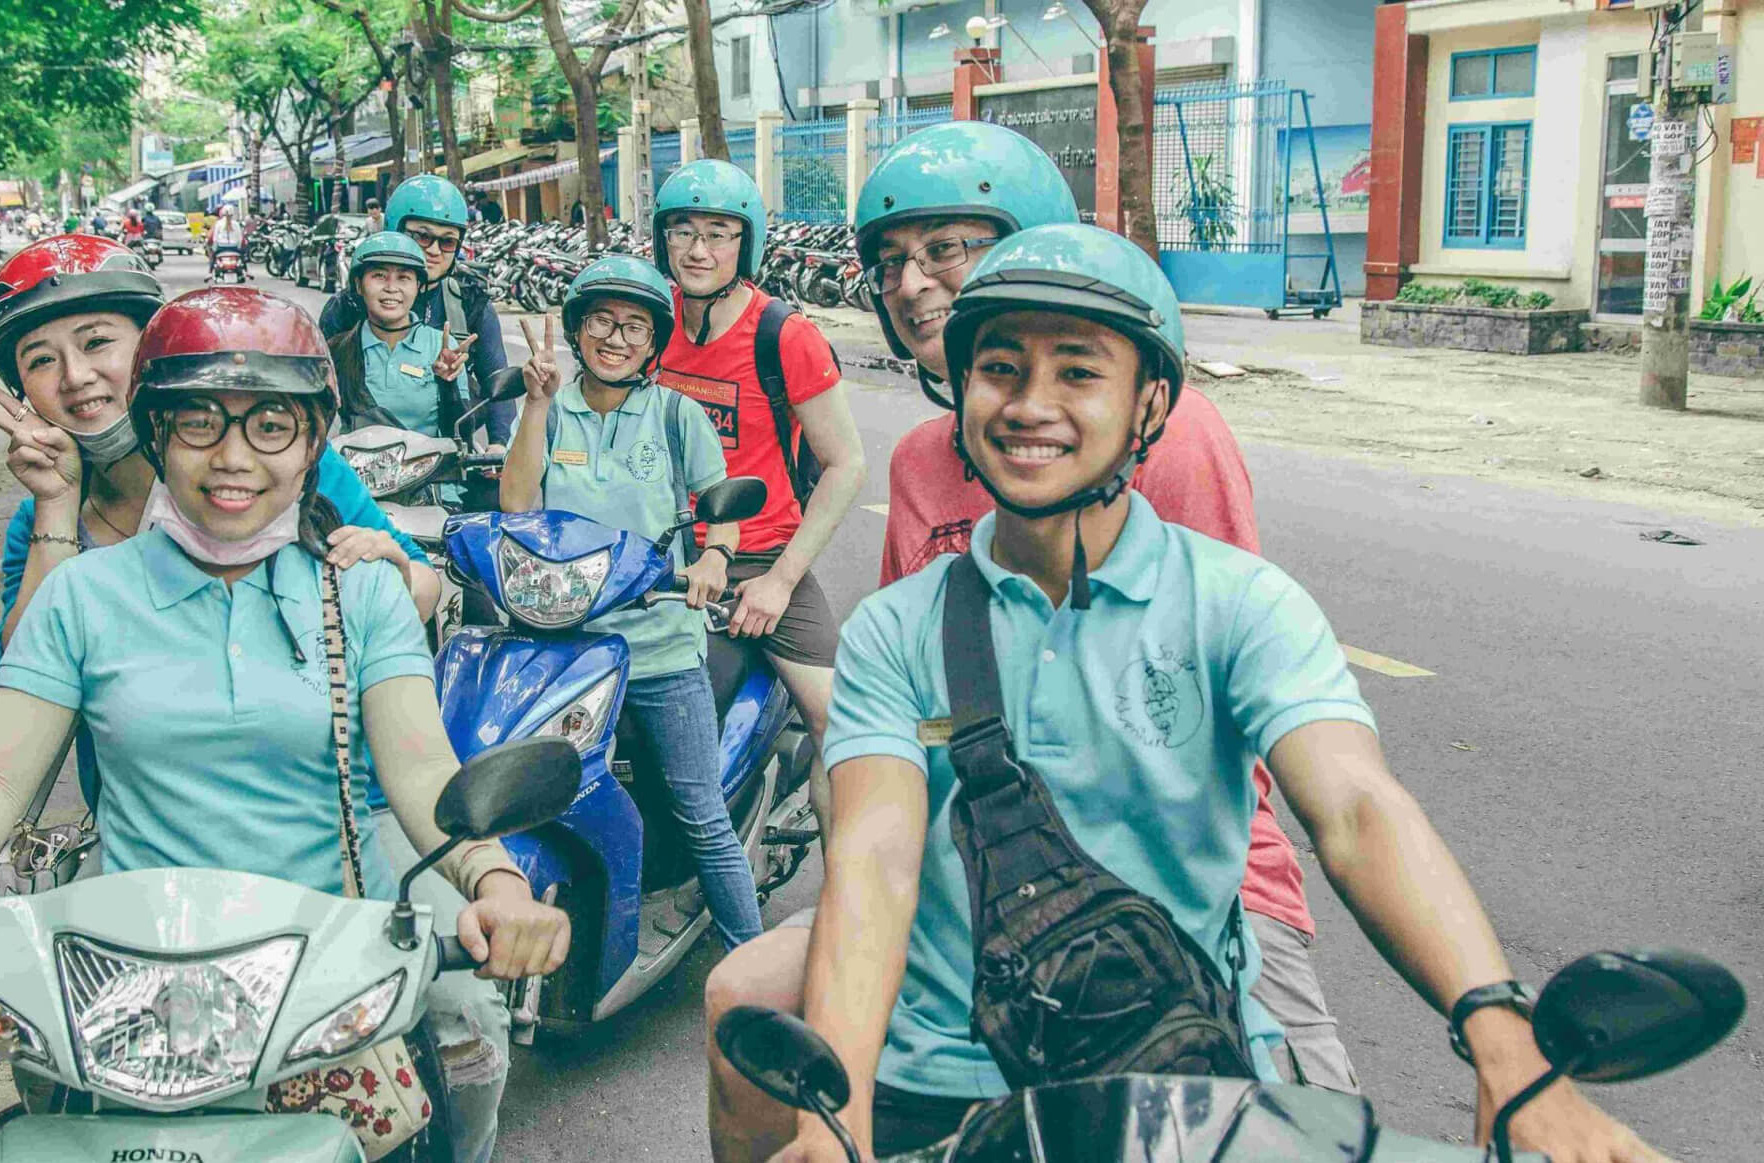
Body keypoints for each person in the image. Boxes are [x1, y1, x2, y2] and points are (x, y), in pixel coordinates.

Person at [762, 225, 1671, 1163]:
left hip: (1185, 1083)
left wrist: (1505, 1042)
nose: (1030, 404)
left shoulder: (1239, 604)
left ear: (1150, 402)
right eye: (1000, 369)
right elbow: (876, 859)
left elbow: (1357, 810)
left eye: (1078, 372)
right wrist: (835, 1116)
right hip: (941, 1089)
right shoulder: (896, 629)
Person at [701, 122, 1355, 1163]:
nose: (913, 283)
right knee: (744, 999)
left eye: (945, 248)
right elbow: (912, 717)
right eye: (891, 262)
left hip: (1189, 880)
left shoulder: (1167, 434)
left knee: (1313, 1123)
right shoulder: (921, 463)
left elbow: (1224, 688)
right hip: (972, 861)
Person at [0, 287, 567, 1163]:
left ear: (312, 443)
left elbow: (420, 770)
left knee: (469, 1037)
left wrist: (495, 880)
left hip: (329, 967)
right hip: (130, 973)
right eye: (198, 423)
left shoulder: (361, 591)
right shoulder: (80, 593)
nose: (233, 457)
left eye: (270, 425)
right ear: (156, 434)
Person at [0, 234, 441, 755]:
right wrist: (57, 502)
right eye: (41, 361)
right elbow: (27, 687)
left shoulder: (280, 463)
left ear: (149, 351)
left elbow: (421, 588)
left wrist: (383, 580)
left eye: (96, 343)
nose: (75, 377)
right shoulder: (41, 522)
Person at [497, 255, 765, 951]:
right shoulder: (552, 411)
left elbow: (721, 511)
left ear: (652, 344)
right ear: (578, 331)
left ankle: (754, 963)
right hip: (569, 646)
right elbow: (517, 504)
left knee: (702, 814)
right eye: (602, 322)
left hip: (660, 646)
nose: (616, 339)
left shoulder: (676, 414)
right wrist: (536, 404)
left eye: (634, 327)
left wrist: (714, 557)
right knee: (542, 800)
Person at [650, 160, 868, 866]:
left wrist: (779, 581)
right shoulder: (647, 323)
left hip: (763, 557)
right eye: (683, 230)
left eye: (718, 233)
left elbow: (846, 465)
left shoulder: (784, 335)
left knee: (843, 728)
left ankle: (846, 899)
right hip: (660, 553)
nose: (698, 250)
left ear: (746, 244)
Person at [320, 175, 514, 448]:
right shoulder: (347, 307)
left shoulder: (470, 303)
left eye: (447, 242)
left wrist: (499, 443)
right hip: (362, 454)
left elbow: (496, 380)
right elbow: (318, 392)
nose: (434, 251)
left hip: (442, 453)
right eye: (423, 237)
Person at [327, 231, 474, 440]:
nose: (391, 288)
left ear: (418, 286)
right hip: (354, 460)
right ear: (359, 285)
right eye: (379, 276)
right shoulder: (339, 349)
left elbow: (462, 433)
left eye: (403, 278)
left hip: (429, 460)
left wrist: (447, 384)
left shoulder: (440, 345)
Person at [208, 205, 247, 280]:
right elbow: (240, 238)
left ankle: (210, 272)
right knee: (242, 257)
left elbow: (215, 238)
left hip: (221, 247)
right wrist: (239, 247)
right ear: (233, 213)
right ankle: (246, 271)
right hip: (234, 247)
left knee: (213, 257)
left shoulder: (218, 223)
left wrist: (214, 248)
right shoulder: (236, 224)